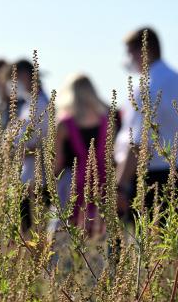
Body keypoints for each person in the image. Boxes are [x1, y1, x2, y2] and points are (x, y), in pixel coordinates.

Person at [114, 27, 178, 214]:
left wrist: (120, 186)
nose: (129, 60)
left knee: (141, 240)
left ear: (143, 51)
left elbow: (137, 142)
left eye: (130, 53)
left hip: (150, 176)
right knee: (167, 238)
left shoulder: (147, 87)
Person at [55, 74, 121, 235]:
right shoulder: (106, 121)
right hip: (102, 183)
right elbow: (112, 156)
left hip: (71, 184)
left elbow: (56, 162)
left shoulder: (64, 123)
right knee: (99, 235)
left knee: (63, 236)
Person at [14, 59, 50, 230]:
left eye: (17, 77)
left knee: (35, 228)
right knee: (25, 228)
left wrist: (16, 152)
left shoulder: (41, 103)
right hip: (25, 175)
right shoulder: (28, 103)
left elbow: (44, 145)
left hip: (36, 178)